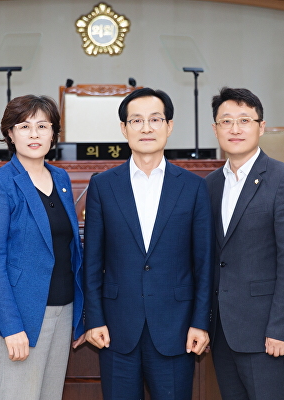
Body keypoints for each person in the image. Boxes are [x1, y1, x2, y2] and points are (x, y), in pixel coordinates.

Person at [83, 87, 214, 400]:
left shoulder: (194, 186)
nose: (146, 128)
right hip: (115, 329)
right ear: (123, 128)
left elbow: (204, 262)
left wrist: (200, 322)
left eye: (155, 120)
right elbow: (92, 260)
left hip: (177, 329)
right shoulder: (103, 185)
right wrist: (95, 318)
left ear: (169, 126)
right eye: (136, 120)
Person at [205, 87, 284, 400]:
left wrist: (281, 329)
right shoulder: (210, 185)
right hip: (222, 332)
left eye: (244, 120)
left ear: (261, 127)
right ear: (215, 129)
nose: (235, 129)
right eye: (226, 122)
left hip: (267, 333)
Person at [0, 94, 85, 400]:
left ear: (54, 133)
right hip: (21, 316)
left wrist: (80, 314)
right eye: (24, 126)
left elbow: (69, 250)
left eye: (42, 125)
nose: (34, 133)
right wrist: (11, 327)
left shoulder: (60, 177)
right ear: (10, 133)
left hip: (62, 311)